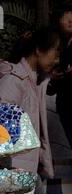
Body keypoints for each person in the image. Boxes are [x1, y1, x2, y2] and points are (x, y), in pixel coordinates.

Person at [0, 27, 61, 194]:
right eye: (55, 52)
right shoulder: (13, 80)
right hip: (14, 172)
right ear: (39, 50)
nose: (56, 60)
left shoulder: (33, 82)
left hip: (28, 171)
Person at [49, 5, 72, 149]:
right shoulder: (56, 46)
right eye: (67, 19)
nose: (71, 22)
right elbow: (50, 89)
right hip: (66, 104)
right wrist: (53, 78)